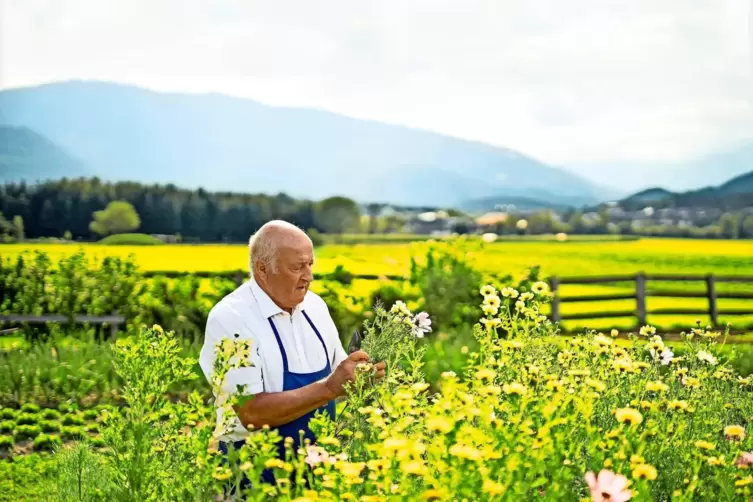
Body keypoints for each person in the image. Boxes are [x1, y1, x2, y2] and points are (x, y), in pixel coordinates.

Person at [199, 220, 385, 490]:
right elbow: (250, 412)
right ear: (262, 270)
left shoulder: (315, 307)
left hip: (316, 470)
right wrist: (331, 386)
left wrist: (361, 378)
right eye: (297, 267)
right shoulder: (231, 319)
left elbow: (340, 381)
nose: (308, 276)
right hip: (252, 473)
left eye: (310, 264)